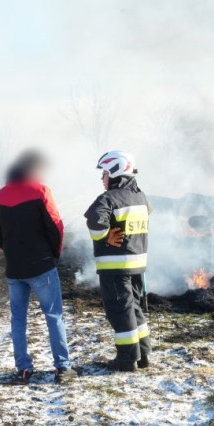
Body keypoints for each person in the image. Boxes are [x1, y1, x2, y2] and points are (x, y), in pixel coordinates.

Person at [0, 149, 74, 385]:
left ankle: (24, 369)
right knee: (53, 315)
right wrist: (53, 254)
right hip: (42, 266)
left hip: (14, 270)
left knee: (18, 320)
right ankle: (62, 368)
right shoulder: (41, 191)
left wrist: (11, 252)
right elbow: (56, 227)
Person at [84, 150, 152, 372]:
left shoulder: (108, 199)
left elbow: (95, 223)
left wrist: (105, 237)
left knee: (120, 312)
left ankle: (126, 359)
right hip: (137, 264)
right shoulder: (141, 197)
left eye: (104, 173)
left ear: (115, 172)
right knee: (134, 308)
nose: (102, 178)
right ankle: (143, 354)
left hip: (115, 266)